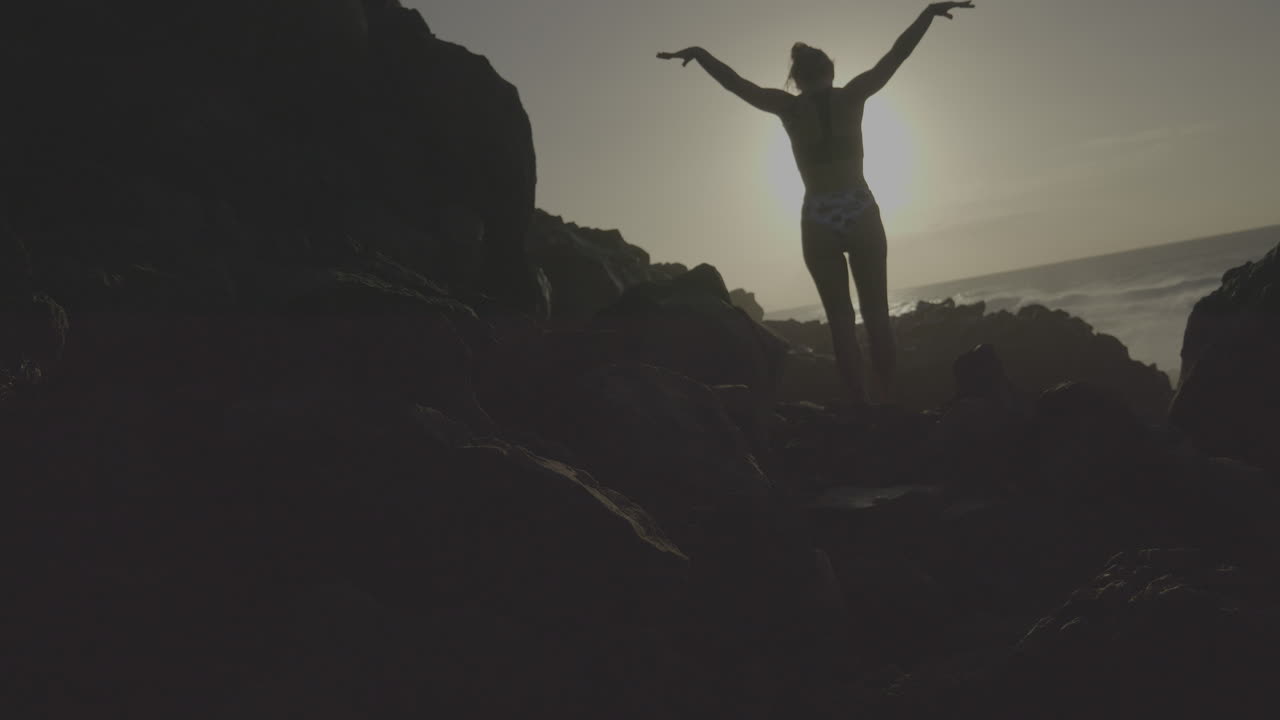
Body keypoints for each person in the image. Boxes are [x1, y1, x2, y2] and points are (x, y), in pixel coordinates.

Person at [658, 2, 975, 406]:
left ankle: (860, 410)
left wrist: (700, 54)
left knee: (841, 323)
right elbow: (897, 54)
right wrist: (927, 14)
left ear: (796, 78)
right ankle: (888, 400)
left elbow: (736, 84)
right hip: (859, 209)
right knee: (877, 315)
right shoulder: (854, 95)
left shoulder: (788, 107)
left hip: (819, 216)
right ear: (831, 70)